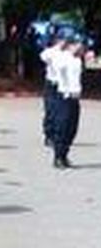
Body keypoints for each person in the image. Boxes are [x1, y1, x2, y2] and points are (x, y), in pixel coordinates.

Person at [53, 34, 85, 169]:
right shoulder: (62, 57)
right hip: (64, 96)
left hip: (75, 97)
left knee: (72, 128)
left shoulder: (77, 60)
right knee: (62, 127)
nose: (81, 48)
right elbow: (58, 70)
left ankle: (65, 154)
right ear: (71, 45)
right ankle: (58, 157)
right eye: (78, 45)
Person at [39, 29, 65, 147]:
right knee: (50, 109)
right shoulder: (50, 52)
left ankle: (57, 134)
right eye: (61, 39)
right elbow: (43, 57)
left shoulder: (67, 53)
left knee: (60, 111)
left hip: (63, 85)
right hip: (51, 83)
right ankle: (49, 134)